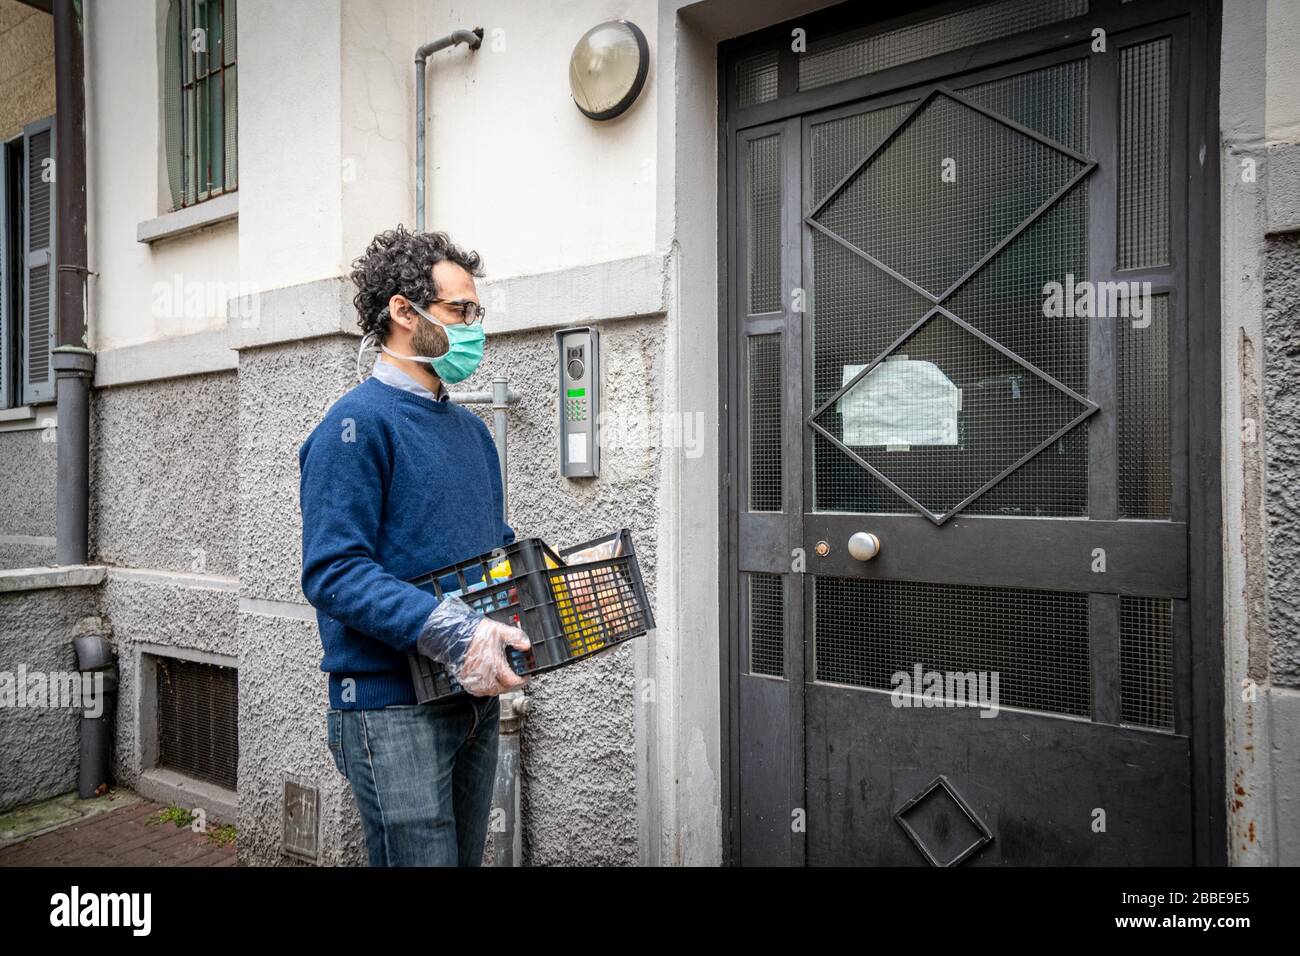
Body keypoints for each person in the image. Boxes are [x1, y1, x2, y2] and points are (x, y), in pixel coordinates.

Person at [298, 225, 529, 866]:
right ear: (404, 311)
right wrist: (454, 631)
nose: (473, 327)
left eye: (475, 312)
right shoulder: (353, 427)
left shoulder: (472, 432)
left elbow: (492, 548)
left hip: (472, 702)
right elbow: (333, 573)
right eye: (460, 311)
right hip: (390, 710)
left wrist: (547, 581)